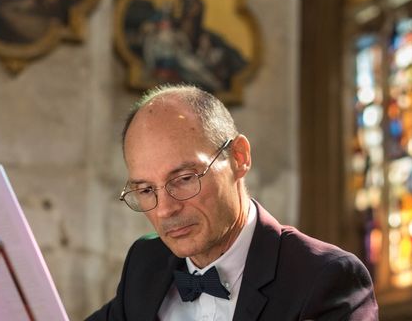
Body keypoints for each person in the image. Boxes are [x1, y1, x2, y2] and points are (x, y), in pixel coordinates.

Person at [86, 84, 378, 320]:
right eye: (147, 190)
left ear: (239, 157)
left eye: (185, 178)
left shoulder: (324, 278)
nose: (165, 210)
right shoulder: (146, 263)